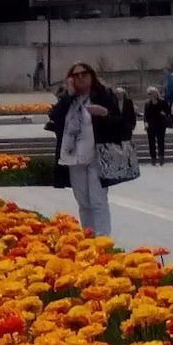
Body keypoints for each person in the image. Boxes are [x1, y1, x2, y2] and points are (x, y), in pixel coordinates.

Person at [45, 62, 131, 236]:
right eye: (75, 75)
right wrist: (68, 96)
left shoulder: (104, 96)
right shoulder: (67, 99)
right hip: (73, 156)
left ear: (91, 76)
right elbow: (55, 117)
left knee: (98, 199)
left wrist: (104, 114)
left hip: (98, 155)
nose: (80, 78)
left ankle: (102, 239)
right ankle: (89, 236)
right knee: (83, 201)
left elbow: (124, 125)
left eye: (84, 74)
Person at [142, 86, 170, 166]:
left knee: (161, 141)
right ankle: (153, 158)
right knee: (151, 143)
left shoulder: (162, 102)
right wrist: (145, 123)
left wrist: (164, 113)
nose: (150, 95)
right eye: (149, 94)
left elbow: (168, 111)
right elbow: (145, 115)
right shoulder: (147, 104)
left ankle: (161, 157)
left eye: (151, 93)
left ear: (155, 93)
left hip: (160, 124)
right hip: (150, 126)